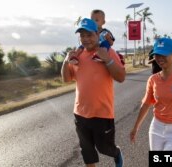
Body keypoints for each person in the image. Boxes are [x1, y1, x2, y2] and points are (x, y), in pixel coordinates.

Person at [61, 18, 125, 167]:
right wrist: (65, 61)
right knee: (87, 152)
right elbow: (66, 79)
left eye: (89, 35)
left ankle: (116, 153)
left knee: (104, 148)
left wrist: (107, 60)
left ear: (97, 34)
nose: (85, 39)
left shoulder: (107, 52)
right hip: (80, 113)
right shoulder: (77, 56)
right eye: (82, 35)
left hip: (102, 113)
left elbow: (121, 77)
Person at [130, 38, 172, 151]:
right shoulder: (153, 79)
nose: (160, 58)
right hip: (156, 128)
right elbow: (146, 104)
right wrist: (135, 128)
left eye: (164, 54)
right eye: (157, 54)